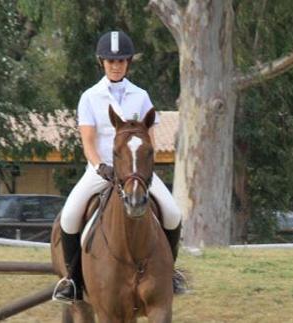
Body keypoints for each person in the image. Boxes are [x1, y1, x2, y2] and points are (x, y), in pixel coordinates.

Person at [52, 30, 186, 303]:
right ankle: (72, 280)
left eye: (122, 61)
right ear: (102, 62)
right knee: (69, 216)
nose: (116, 66)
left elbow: (150, 139)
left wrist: (145, 170)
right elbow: (88, 141)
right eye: (111, 61)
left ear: (128, 63)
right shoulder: (90, 97)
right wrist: (100, 166)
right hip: (102, 170)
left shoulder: (141, 96)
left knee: (172, 213)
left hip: (137, 172)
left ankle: (168, 274)